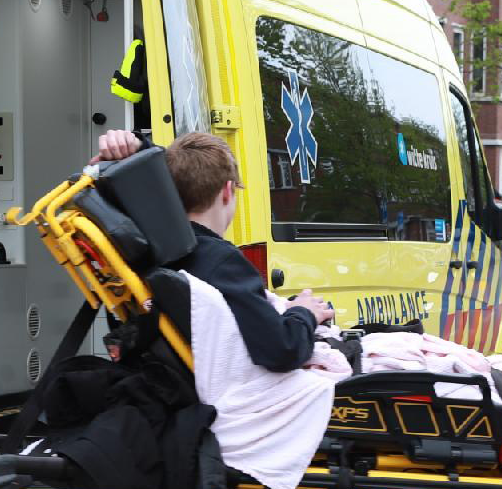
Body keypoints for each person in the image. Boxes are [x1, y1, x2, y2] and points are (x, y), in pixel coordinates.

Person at [87, 128, 333, 372]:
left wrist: (140, 148)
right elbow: (282, 350)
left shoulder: (150, 251)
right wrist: (305, 313)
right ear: (228, 191)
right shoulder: (222, 262)